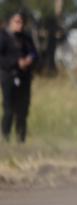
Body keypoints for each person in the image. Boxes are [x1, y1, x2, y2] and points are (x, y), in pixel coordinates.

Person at [0, 12, 37, 143]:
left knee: (22, 111)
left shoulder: (26, 38)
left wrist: (29, 60)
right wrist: (17, 62)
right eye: (17, 21)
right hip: (8, 77)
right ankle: (5, 138)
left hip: (24, 78)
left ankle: (21, 140)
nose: (20, 24)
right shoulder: (3, 37)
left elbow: (34, 53)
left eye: (21, 22)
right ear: (10, 22)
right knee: (9, 110)